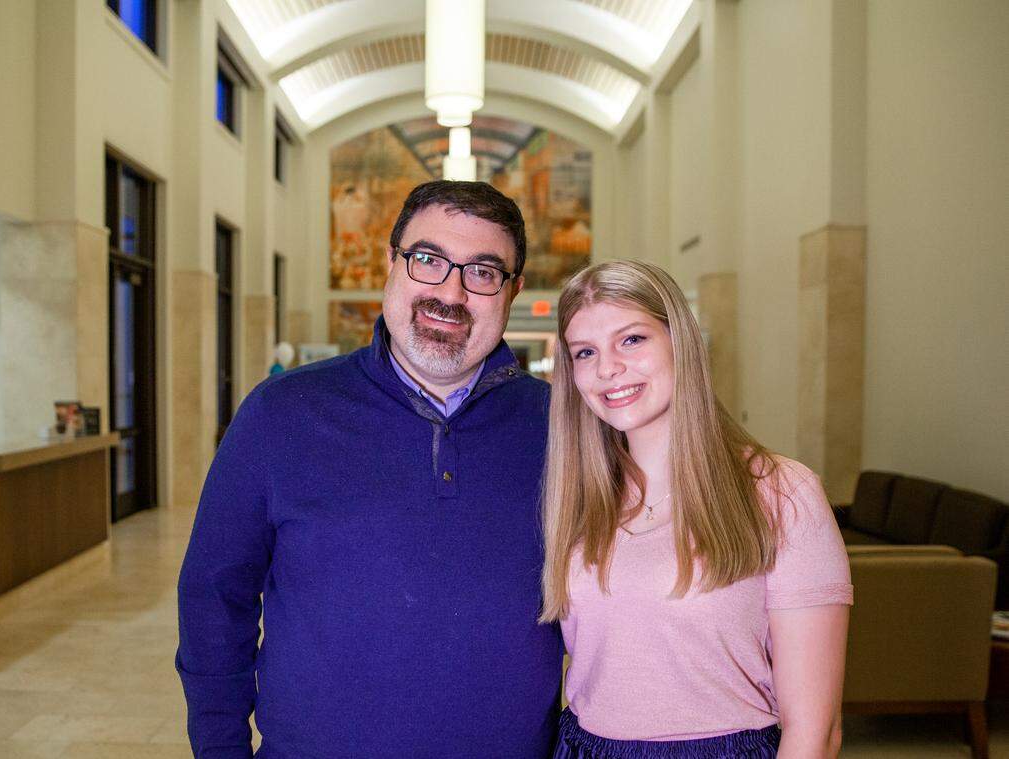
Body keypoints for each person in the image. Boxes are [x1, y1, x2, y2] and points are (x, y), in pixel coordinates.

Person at [176, 180, 564, 758]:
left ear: (512, 292)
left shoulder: (562, 427)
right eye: (428, 260)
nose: (451, 292)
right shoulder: (282, 413)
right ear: (390, 263)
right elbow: (214, 597)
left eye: (483, 272)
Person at [541, 260, 852, 758]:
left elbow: (815, 731)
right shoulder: (578, 497)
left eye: (632, 339)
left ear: (679, 342)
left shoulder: (781, 492)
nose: (607, 368)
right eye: (585, 352)